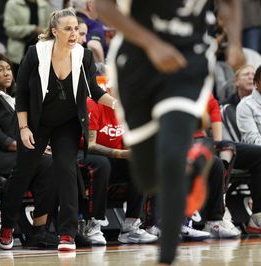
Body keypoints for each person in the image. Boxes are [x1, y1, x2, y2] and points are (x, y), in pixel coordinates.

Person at [96, 0, 243, 265]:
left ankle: (167, 258)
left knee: (172, 157)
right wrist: (152, 44)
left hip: (188, 59)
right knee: (148, 177)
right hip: (137, 61)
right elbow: (103, 7)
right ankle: (197, 160)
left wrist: (234, 43)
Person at [0, 8, 117, 252]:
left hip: (67, 123)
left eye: (76, 29)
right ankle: (7, 225)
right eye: (68, 29)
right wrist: (23, 127)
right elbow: (22, 94)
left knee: (67, 173)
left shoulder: (84, 56)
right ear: (54, 31)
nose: (74, 34)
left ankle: (67, 234)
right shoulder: (35, 53)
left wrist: (115, 104)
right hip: (36, 123)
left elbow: (94, 91)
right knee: (22, 174)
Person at [0, 54, 58, 248]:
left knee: (56, 163)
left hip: (15, 153)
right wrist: (29, 147)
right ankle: (9, 226)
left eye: (8, 69)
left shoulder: (14, 97)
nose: (6, 73)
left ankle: (43, 229)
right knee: (37, 164)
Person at [78, 92, 158, 245]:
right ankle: (93, 225)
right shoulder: (94, 104)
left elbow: (128, 143)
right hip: (83, 155)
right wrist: (121, 153)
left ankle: (130, 227)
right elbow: (91, 145)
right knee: (102, 164)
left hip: (113, 159)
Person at [3, 0, 53, 75]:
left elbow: (51, 28)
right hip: (18, 55)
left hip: (41, 54)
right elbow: (9, 29)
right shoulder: (13, 3)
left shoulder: (45, 5)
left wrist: (41, 31)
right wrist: (32, 29)